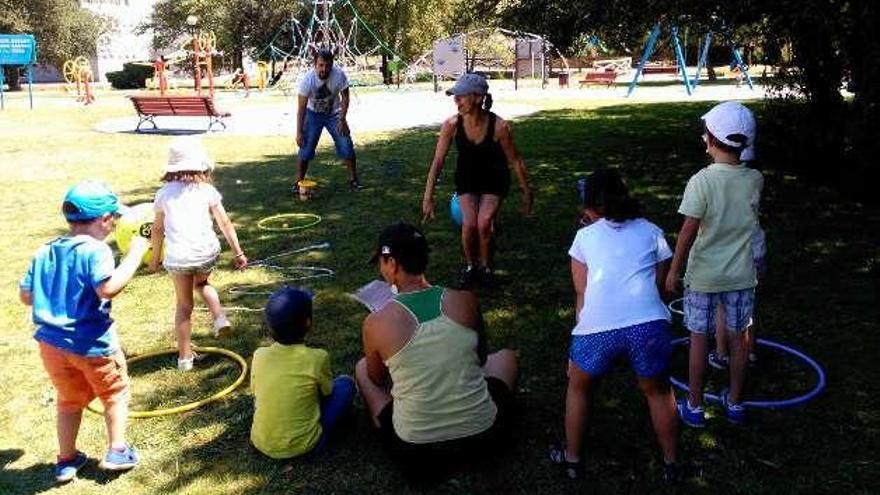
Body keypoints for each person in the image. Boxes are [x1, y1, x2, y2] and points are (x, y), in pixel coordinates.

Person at [355, 222, 518, 482]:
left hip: (416, 453)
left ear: (393, 263)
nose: (381, 269)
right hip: (485, 438)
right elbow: (483, 358)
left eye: (381, 262)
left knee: (363, 369)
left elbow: (377, 379)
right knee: (506, 357)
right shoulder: (465, 300)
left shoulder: (375, 323)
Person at [549, 169, 681, 482]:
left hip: (597, 328)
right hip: (648, 325)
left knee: (579, 387)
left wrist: (575, 345)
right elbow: (658, 286)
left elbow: (582, 295)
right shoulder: (653, 231)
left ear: (589, 207)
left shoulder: (583, 238)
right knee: (659, 391)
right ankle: (672, 465)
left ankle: (572, 460)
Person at [19, 181, 148, 483]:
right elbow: (108, 288)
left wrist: (54, 292)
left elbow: (26, 296)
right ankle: (117, 450)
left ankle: (66, 460)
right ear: (105, 220)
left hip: (51, 346)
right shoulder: (97, 250)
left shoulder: (45, 250)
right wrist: (135, 255)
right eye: (114, 219)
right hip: (92, 344)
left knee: (68, 399)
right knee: (115, 393)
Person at [666, 101, 763, 426]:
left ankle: (694, 406)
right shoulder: (755, 179)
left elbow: (687, 232)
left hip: (704, 277)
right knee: (739, 340)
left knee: (698, 340)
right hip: (741, 276)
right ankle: (735, 403)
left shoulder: (701, 181)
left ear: (710, 138)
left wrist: (674, 270)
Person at [421, 73, 533, 288]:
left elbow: (515, 160)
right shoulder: (451, 125)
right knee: (469, 223)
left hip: (494, 179)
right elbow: (437, 161)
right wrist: (428, 197)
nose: (456, 100)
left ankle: (486, 267)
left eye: (461, 96)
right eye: (455, 96)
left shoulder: (500, 126)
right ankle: (471, 267)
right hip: (467, 179)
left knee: (483, 224)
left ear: (479, 97)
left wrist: (527, 191)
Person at [149, 137, 248, 371]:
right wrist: (238, 253)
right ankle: (219, 317)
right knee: (202, 283)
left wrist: (154, 260)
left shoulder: (164, 194)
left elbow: (157, 229)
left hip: (179, 257)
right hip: (205, 253)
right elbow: (224, 223)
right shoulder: (207, 190)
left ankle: (184, 359)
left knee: (184, 306)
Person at [250, 287, 356, 459]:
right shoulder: (317, 358)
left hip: (261, 442)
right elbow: (327, 392)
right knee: (346, 384)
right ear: (308, 322)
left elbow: (255, 392)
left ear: (269, 327)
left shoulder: (259, 355)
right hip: (308, 446)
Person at [294, 48, 363, 193]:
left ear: (332, 64)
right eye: (320, 65)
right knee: (305, 149)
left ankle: (353, 180)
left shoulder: (339, 76)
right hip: (312, 114)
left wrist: (342, 119)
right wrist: (299, 132)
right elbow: (301, 108)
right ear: (315, 65)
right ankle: (298, 183)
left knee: (346, 145)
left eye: (327, 65)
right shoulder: (307, 80)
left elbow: (345, 98)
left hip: (334, 114)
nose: (324, 69)